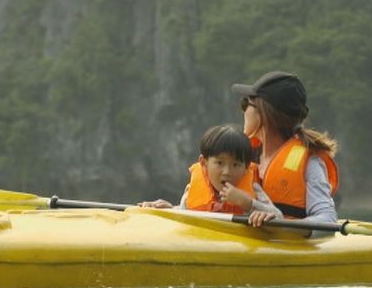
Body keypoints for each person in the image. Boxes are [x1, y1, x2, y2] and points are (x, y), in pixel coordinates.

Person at [231, 71, 339, 222]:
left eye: (245, 104)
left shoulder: (310, 163)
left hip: (286, 242)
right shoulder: (238, 157)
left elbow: (327, 219)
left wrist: (284, 225)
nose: (243, 111)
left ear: (264, 112)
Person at [140, 125, 281, 227]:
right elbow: (182, 218)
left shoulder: (253, 191)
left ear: (246, 168)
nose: (227, 172)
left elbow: (279, 218)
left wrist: (248, 204)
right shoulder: (191, 191)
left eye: (236, 165)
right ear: (204, 163)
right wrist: (168, 211)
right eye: (220, 163)